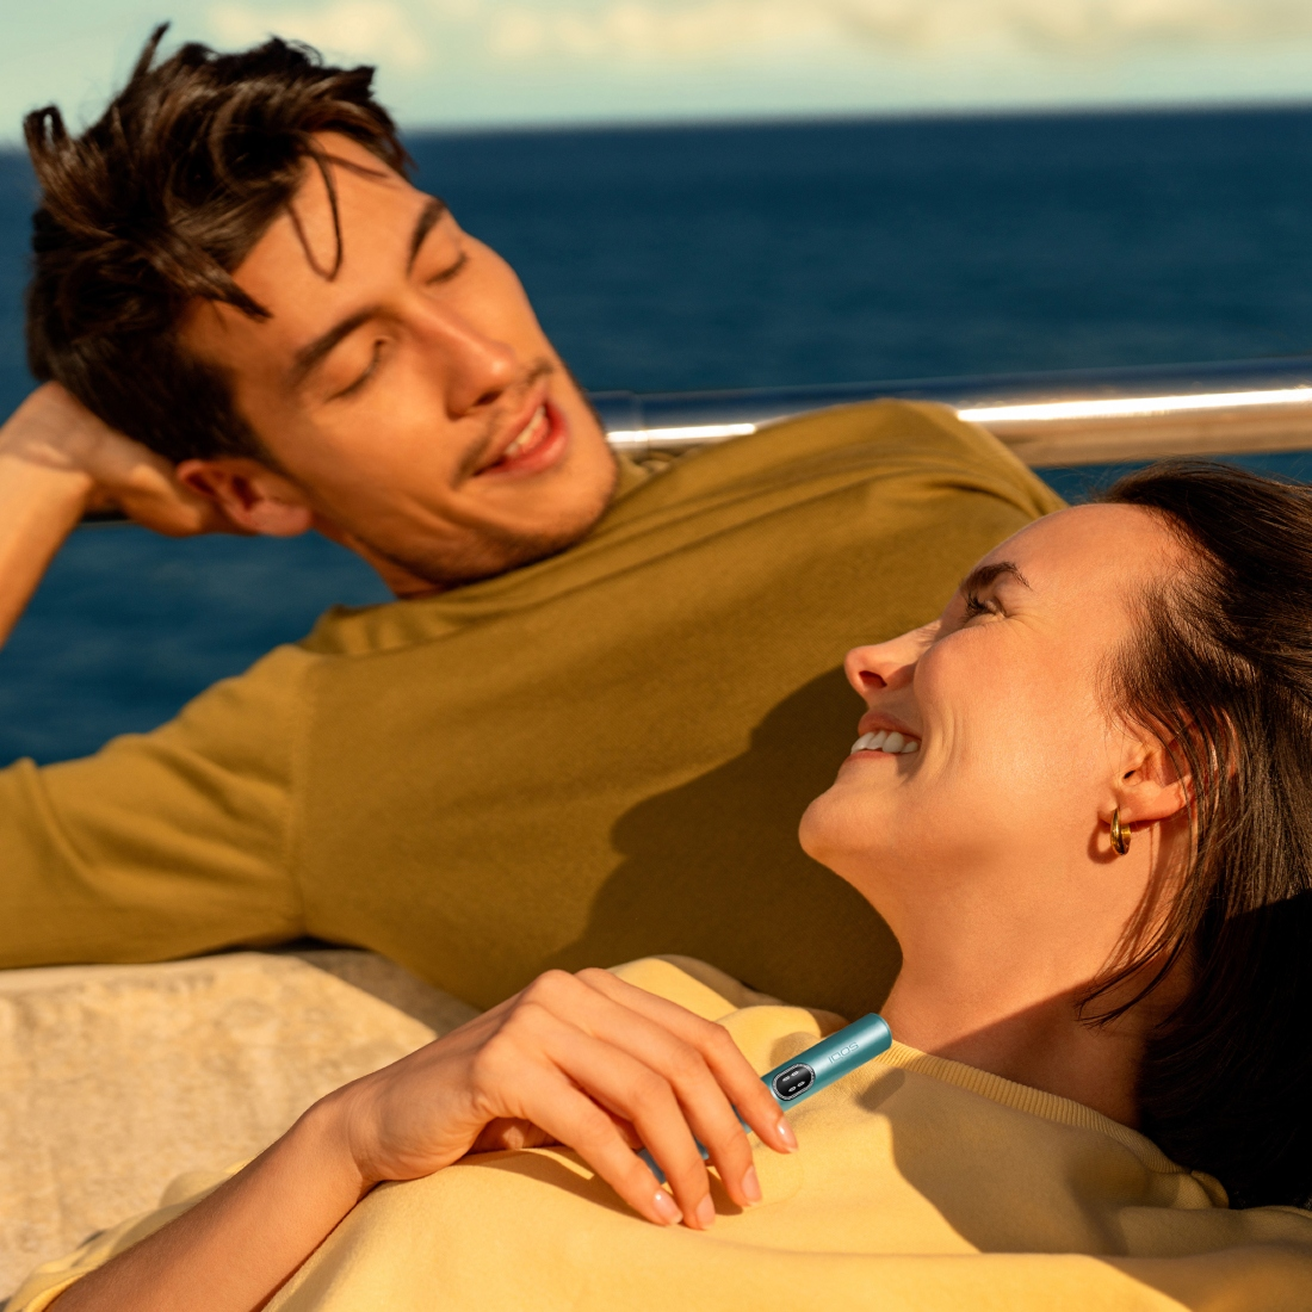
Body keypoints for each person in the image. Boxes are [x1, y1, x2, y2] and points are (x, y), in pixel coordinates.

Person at [13, 460, 1312, 1312]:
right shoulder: (638, 1030)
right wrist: (343, 1144)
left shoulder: (1230, 1276)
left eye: (980, 613)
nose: (869, 658)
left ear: (1168, 757)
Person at [0, 29, 1062, 1020]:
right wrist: (37, 464)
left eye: (446, 262)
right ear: (248, 493)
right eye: (364, 362)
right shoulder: (313, 755)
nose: (488, 364)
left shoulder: (889, 447)